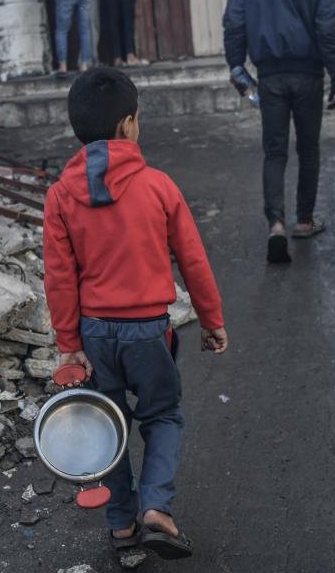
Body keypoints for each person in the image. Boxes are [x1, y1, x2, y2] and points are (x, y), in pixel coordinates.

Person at [43, 67, 228, 561]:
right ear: (128, 124)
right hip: (148, 331)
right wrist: (211, 319)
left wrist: (68, 344)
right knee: (162, 414)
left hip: (94, 333)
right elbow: (193, 259)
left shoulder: (60, 196)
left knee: (107, 424)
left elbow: (59, 277)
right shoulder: (158, 186)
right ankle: (157, 510)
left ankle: (122, 525)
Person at [222, 0, 335, 264]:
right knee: (308, 149)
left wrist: (236, 64)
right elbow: (330, 26)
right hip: (308, 74)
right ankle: (304, 221)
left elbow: (234, 18)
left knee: (275, 151)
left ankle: (275, 225)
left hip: (270, 76)